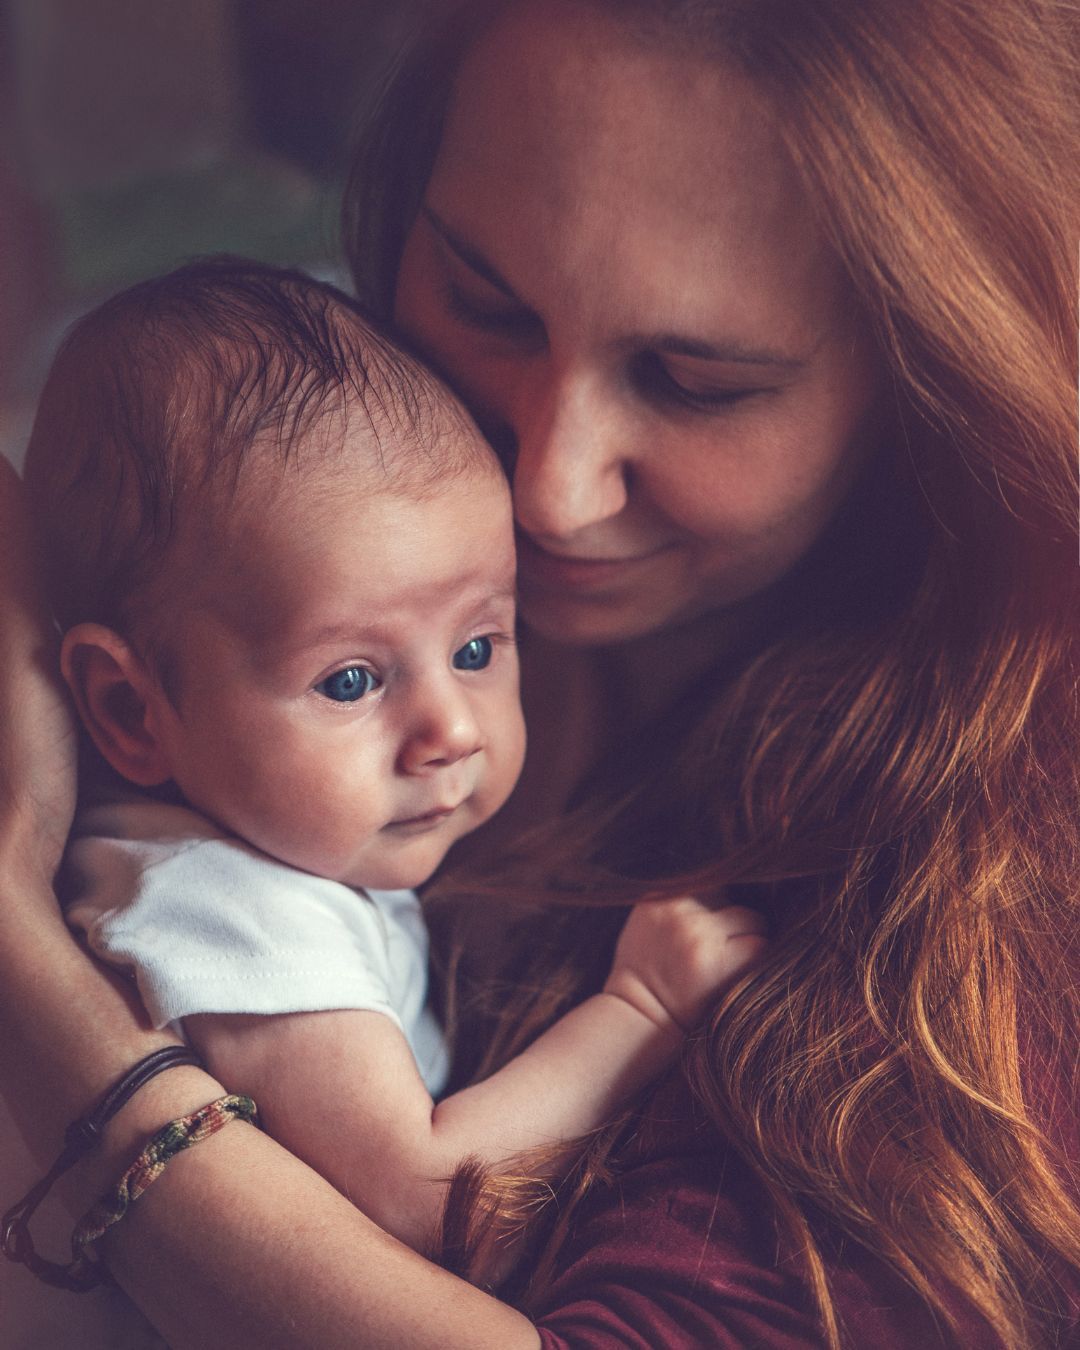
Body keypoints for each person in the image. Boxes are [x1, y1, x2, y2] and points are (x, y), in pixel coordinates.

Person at [0, 0, 1076, 1346]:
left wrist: (22, 958)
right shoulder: (279, 460)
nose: (549, 491)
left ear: (923, 378)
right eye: (484, 300)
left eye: (695, 381)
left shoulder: (1010, 830)